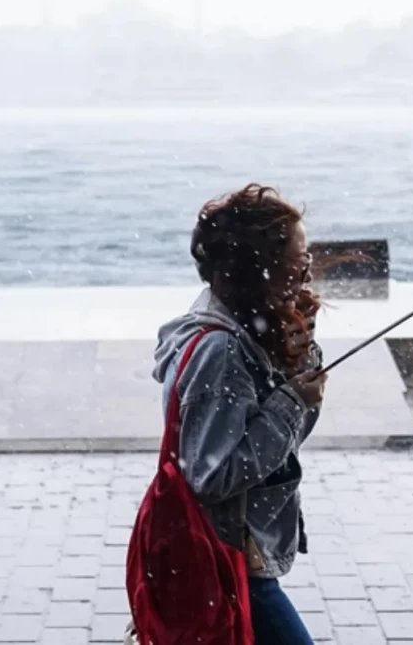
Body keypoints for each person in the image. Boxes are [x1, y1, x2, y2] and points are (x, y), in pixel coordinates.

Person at [149, 183, 325, 645]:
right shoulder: (220, 350)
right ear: (258, 269)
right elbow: (212, 472)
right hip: (227, 556)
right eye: (296, 259)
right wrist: (290, 402)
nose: (307, 271)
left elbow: (284, 442)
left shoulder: (243, 329)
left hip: (235, 554)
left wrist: (298, 363)